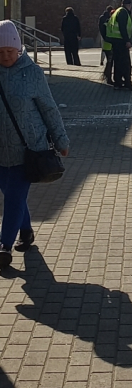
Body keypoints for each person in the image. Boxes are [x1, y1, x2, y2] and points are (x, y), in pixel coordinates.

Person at [0, 20, 69, 269]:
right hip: (1, 150)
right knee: (12, 194)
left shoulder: (32, 73)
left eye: (10, 51)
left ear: (18, 49)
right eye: (0, 52)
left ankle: (4, 246)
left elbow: (49, 108)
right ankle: (26, 231)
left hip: (28, 148)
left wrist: (61, 140)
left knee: (13, 197)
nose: (5, 56)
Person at [106, 0, 132, 91]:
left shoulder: (118, 11)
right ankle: (127, 82)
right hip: (121, 41)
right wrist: (127, 40)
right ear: (129, 5)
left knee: (118, 63)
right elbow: (122, 27)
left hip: (116, 41)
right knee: (125, 63)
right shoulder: (123, 12)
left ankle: (118, 82)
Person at [98, 6, 114, 85]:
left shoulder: (103, 19)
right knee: (110, 61)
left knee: (109, 61)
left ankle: (106, 75)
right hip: (109, 44)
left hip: (107, 43)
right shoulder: (109, 22)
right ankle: (108, 78)